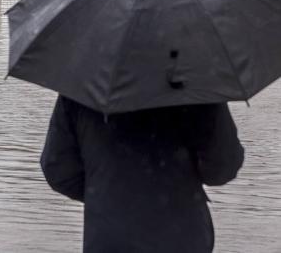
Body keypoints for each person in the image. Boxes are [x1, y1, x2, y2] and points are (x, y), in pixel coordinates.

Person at [40, 96, 244, 253]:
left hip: (110, 237)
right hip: (183, 236)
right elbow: (222, 168)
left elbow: (57, 168)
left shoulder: (84, 84)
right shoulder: (198, 83)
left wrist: (105, 195)